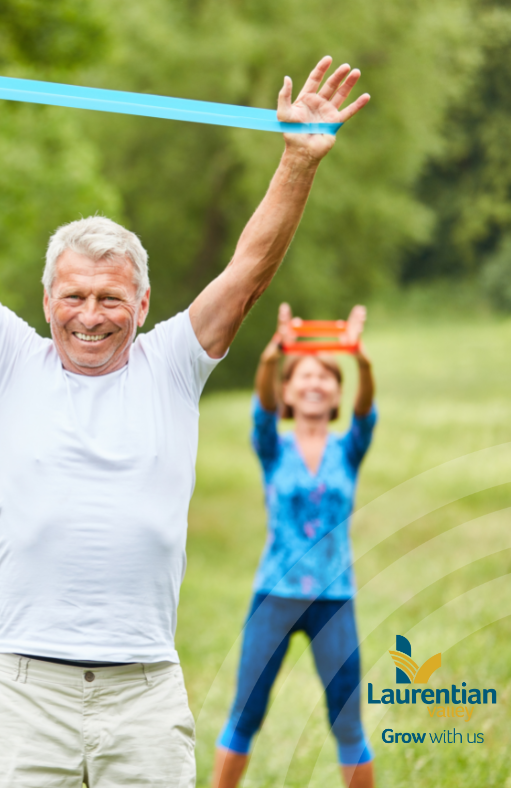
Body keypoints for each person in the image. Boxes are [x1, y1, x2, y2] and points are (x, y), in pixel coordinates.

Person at [0, 12, 370, 787]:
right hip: (23, 689)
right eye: (74, 295)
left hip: (142, 691)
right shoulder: (7, 359)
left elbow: (248, 272)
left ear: (143, 304)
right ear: (45, 300)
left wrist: (298, 162)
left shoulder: (172, 362)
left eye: (112, 297)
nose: (91, 313)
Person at [213, 304, 376, 788]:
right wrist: (274, 353)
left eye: (326, 377)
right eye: (303, 375)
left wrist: (360, 360)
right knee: (246, 715)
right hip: (275, 597)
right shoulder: (273, 447)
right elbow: (261, 406)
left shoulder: (349, 447)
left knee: (347, 723)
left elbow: (368, 408)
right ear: (287, 390)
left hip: (334, 600)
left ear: (337, 394)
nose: (314, 383)